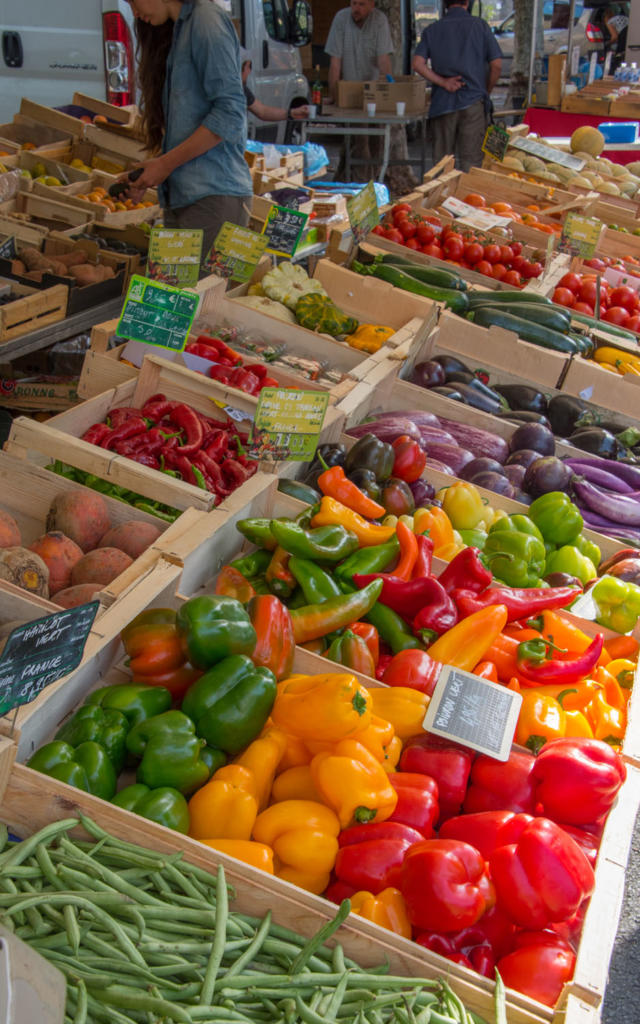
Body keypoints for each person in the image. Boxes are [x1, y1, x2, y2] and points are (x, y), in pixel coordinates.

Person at [118, 0, 253, 266]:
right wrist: (149, 175)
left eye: (133, 1)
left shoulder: (206, 21)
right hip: (182, 200)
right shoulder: (177, 30)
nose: (134, 12)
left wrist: (165, 164)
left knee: (206, 305)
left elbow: (230, 112)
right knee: (172, 304)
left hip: (214, 199)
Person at [412, 0, 502, 173]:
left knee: (442, 165)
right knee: (472, 166)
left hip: (442, 105)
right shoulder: (480, 26)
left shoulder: (432, 29)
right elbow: (496, 65)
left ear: (444, 4)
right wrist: (485, 91)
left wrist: (443, 82)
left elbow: (417, 64)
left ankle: (441, 199)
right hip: (474, 103)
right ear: (467, 3)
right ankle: (470, 199)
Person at [324, 0, 393, 181]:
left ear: (372, 5)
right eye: (354, 3)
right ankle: (360, 185)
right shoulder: (341, 19)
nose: (356, 8)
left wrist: (388, 92)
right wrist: (334, 95)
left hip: (374, 93)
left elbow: (383, 60)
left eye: (362, 4)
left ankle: (372, 181)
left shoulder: (380, 21)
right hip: (350, 93)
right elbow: (335, 63)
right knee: (360, 142)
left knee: (377, 142)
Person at [241, 51, 308, 124]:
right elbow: (262, 112)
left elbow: (263, 111)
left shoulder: (241, 89)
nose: (250, 71)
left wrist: (292, 113)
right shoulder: (238, 89)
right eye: (249, 66)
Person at [603, 5, 629, 72]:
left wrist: (607, 43)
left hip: (621, 43)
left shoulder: (609, 22)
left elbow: (615, 37)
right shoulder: (626, 18)